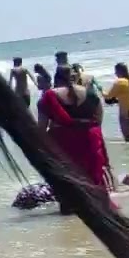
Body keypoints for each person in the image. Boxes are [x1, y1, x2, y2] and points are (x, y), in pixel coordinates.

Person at [37, 70, 116, 214]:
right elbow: (98, 122)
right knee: (92, 182)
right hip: (90, 140)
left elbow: (41, 129)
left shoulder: (48, 97)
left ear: (56, 80)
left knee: (67, 185)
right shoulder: (91, 95)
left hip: (63, 143)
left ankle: (70, 216)